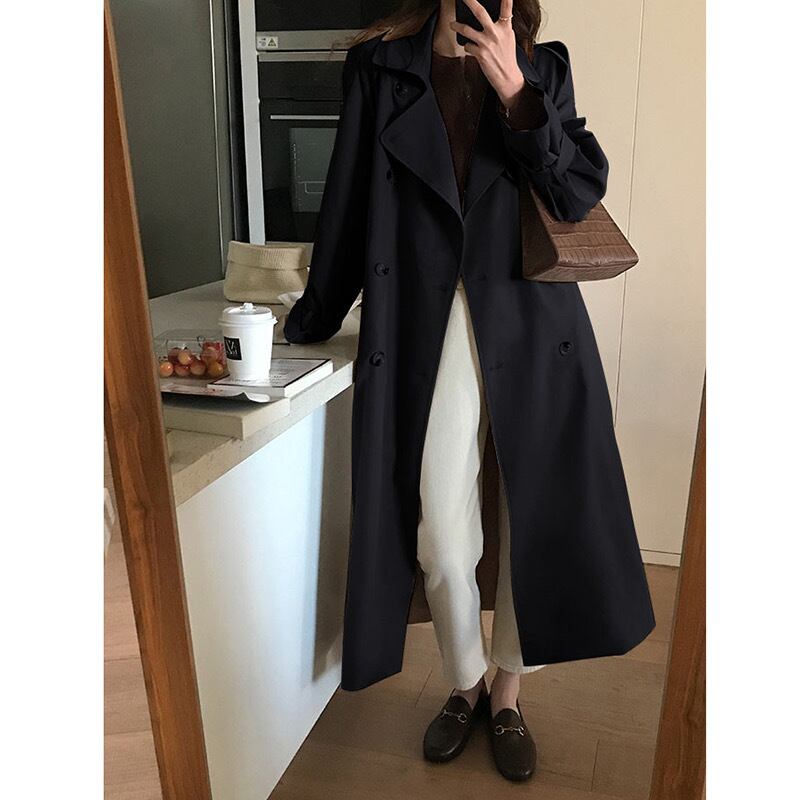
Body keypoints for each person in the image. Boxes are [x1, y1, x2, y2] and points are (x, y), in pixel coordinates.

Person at [285, 0, 655, 782]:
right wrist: (313, 317)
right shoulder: (382, 67)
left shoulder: (542, 66)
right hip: (425, 322)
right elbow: (347, 201)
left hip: (531, 321)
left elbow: (576, 193)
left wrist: (518, 95)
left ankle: (508, 694)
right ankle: (465, 682)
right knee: (442, 535)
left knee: (534, 521)